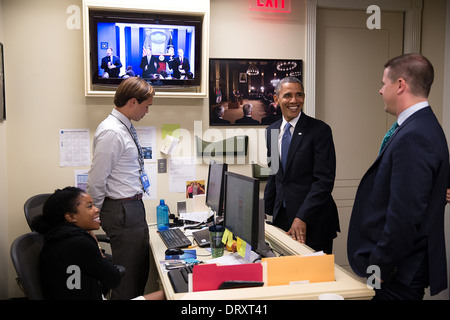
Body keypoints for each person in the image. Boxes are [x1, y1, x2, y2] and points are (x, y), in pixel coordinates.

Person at [347, 53, 449, 300]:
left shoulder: (416, 134)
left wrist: (378, 266)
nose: (381, 91)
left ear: (400, 85)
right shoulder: (418, 126)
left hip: (397, 270)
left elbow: (404, 216)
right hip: (396, 267)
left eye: (384, 83)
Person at [87, 77, 155, 300]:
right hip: (121, 210)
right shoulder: (112, 132)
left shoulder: (124, 127)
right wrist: (91, 221)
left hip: (132, 207)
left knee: (139, 273)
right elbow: (97, 180)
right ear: (133, 102)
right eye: (146, 106)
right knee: (126, 281)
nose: (147, 111)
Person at [32, 187, 165, 300]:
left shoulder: (57, 238)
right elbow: (113, 279)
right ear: (71, 217)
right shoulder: (80, 243)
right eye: (89, 206)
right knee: (168, 293)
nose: (97, 210)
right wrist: (99, 252)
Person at [264, 76, 340, 254]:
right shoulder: (271, 131)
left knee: (316, 279)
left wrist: (302, 217)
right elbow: (274, 175)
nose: (294, 101)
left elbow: (324, 181)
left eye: (299, 95)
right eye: (287, 95)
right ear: (277, 99)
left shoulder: (320, 130)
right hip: (282, 220)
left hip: (313, 220)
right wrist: (263, 214)